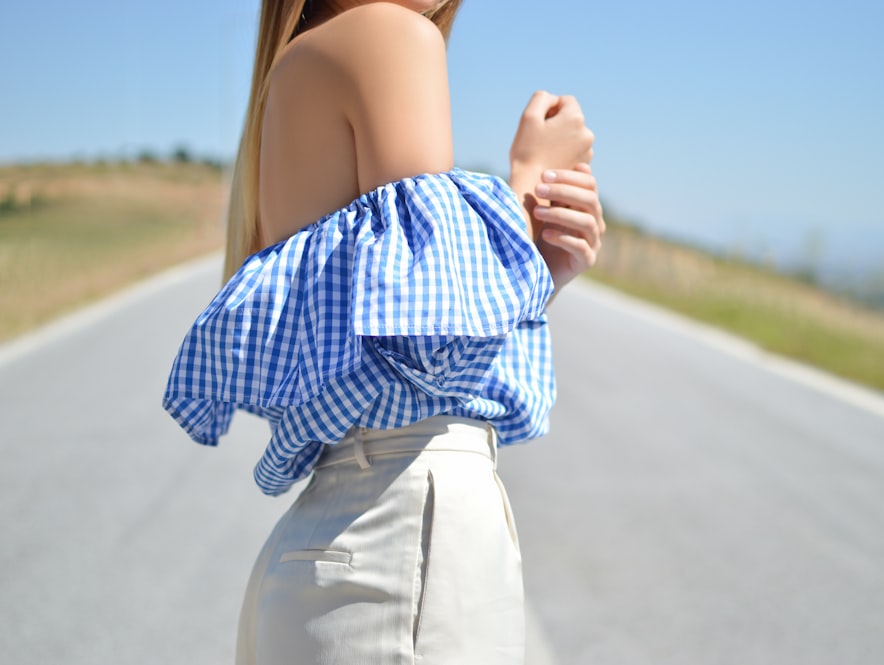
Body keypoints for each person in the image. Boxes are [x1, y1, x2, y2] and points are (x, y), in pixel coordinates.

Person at [162, 1, 604, 663]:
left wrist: (539, 267)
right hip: (403, 536)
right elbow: (432, 337)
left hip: (340, 542)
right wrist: (527, 187)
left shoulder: (292, 71)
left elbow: (395, 342)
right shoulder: (392, 35)